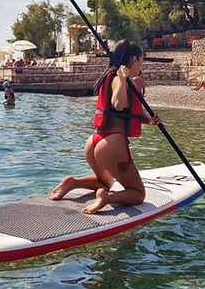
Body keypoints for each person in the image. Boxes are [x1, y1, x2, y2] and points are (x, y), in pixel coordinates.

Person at [49, 40, 161, 214]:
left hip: (94, 141)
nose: (142, 65)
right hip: (112, 145)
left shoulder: (109, 78)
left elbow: (125, 113)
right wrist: (123, 80)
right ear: (134, 60)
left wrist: (149, 120)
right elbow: (118, 104)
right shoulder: (119, 79)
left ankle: (73, 183)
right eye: (141, 60)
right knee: (138, 194)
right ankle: (106, 198)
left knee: (106, 183)